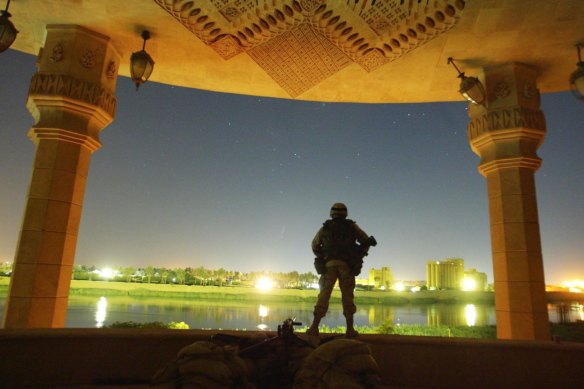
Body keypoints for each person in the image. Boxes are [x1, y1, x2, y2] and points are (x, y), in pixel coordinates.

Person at [307, 202, 375, 338]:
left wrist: (323, 257)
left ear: (331, 213)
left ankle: (314, 327)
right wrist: (359, 255)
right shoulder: (351, 226)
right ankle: (350, 330)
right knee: (348, 296)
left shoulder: (325, 228)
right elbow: (366, 241)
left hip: (329, 266)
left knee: (324, 295)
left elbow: (314, 245)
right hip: (347, 266)